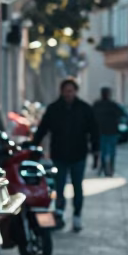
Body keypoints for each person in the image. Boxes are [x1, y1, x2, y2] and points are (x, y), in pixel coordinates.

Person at [34, 77, 99, 233]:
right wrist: (33, 144)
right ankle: (59, 214)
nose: (68, 94)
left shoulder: (85, 109)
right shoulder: (53, 109)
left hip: (79, 154)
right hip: (59, 154)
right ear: (61, 92)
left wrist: (96, 150)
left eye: (71, 91)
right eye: (65, 91)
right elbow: (43, 129)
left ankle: (77, 216)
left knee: (77, 187)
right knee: (59, 187)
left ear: (75, 92)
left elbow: (94, 131)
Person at [91, 86, 125, 177]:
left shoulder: (97, 104)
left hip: (102, 131)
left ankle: (104, 167)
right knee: (110, 152)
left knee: (104, 151)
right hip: (110, 131)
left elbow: (91, 117)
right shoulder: (113, 105)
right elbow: (121, 114)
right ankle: (109, 168)